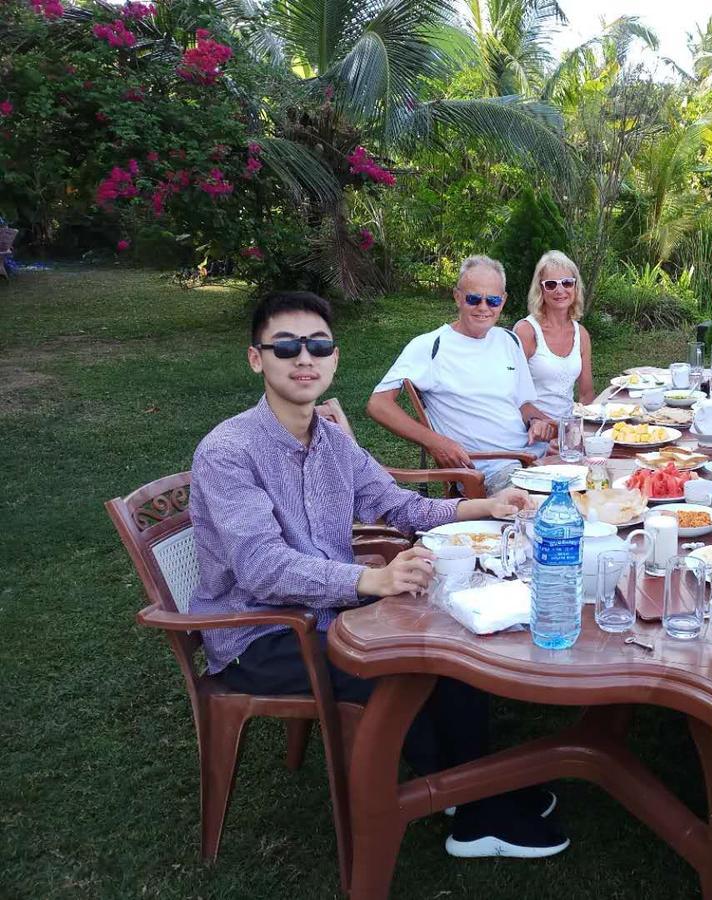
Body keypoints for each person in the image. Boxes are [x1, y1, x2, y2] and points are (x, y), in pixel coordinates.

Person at [188, 290, 568, 859]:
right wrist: (373, 582)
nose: (303, 358)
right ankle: (468, 811)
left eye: (317, 345)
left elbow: (400, 507)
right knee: (411, 667)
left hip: (328, 610)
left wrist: (486, 506)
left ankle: (474, 789)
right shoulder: (229, 451)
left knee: (455, 639)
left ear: (335, 358)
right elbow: (262, 568)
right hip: (261, 633)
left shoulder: (331, 441)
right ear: (256, 358)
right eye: (286, 346)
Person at [367, 255, 557, 494]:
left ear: (504, 300)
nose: (483, 308)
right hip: (491, 471)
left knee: (601, 473)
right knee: (558, 508)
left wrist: (537, 422)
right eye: (474, 298)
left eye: (493, 300)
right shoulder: (430, 346)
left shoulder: (509, 340)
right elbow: (378, 404)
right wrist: (436, 443)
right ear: (457, 297)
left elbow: (523, 406)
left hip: (533, 457)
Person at [513, 251, 595, 419]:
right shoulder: (526, 331)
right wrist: (547, 427)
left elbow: (586, 395)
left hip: (568, 431)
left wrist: (584, 431)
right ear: (540, 289)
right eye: (551, 284)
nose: (560, 290)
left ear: (575, 287)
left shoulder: (581, 334)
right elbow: (512, 395)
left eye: (567, 283)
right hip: (531, 431)